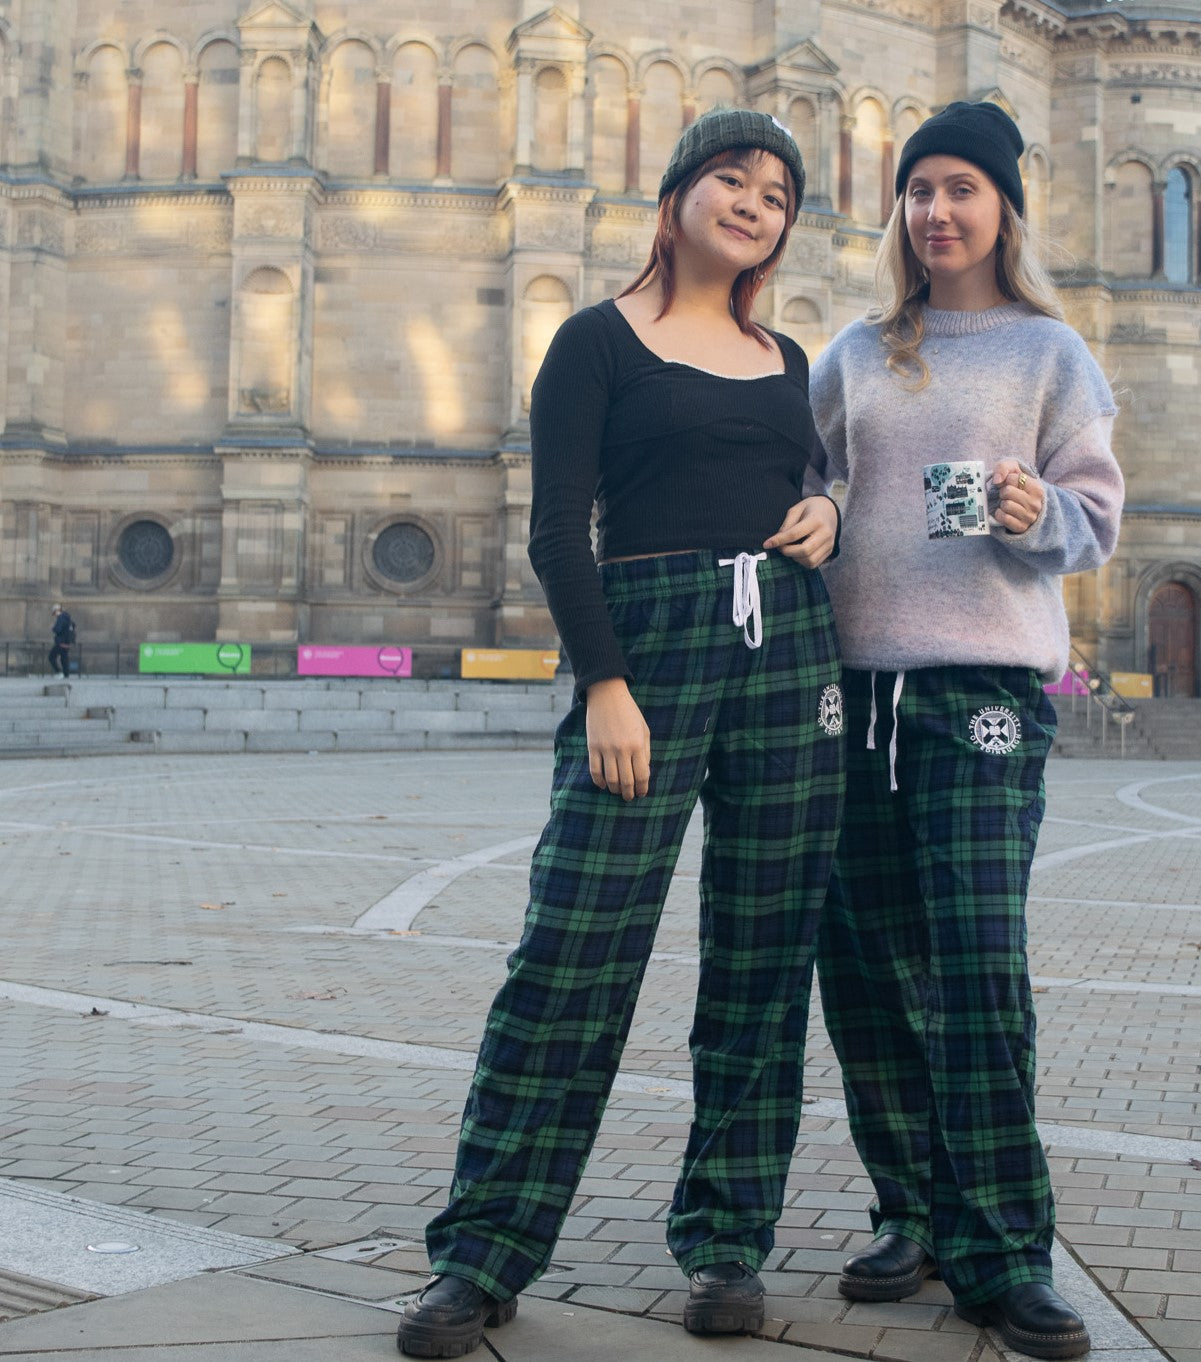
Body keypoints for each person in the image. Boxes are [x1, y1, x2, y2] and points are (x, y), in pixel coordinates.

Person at [399, 108, 845, 1359]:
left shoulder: (787, 355)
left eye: (776, 192)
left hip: (785, 649)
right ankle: (482, 1253)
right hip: (642, 648)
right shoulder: (595, 341)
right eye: (731, 178)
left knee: (761, 964)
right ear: (677, 195)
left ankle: (723, 1244)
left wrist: (822, 511)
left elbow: (795, 486)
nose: (754, 201)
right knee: (571, 953)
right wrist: (604, 682)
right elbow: (558, 529)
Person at [807, 101, 1124, 1361]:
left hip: (979, 694)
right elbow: (817, 485)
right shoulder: (852, 350)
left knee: (978, 968)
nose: (936, 212)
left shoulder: (1052, 354)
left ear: (1003, 208)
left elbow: (1095, 522)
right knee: (868, 974)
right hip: (851, 696)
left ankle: (1003, 1251)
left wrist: (1038, 505)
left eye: (961, 190)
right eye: (918, 191)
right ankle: (914, 1213)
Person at [49, 605, 75, 678]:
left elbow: (57, 629)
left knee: (51, 657)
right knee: (64, 658)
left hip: (61, 642)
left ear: (57, 611)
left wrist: (53, 628)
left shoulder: (61, 618)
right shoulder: (68, 618)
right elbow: (73, 626)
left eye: (54, 613)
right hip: (67, 642)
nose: (54, 615)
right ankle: (66, 674)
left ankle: (58, 672)